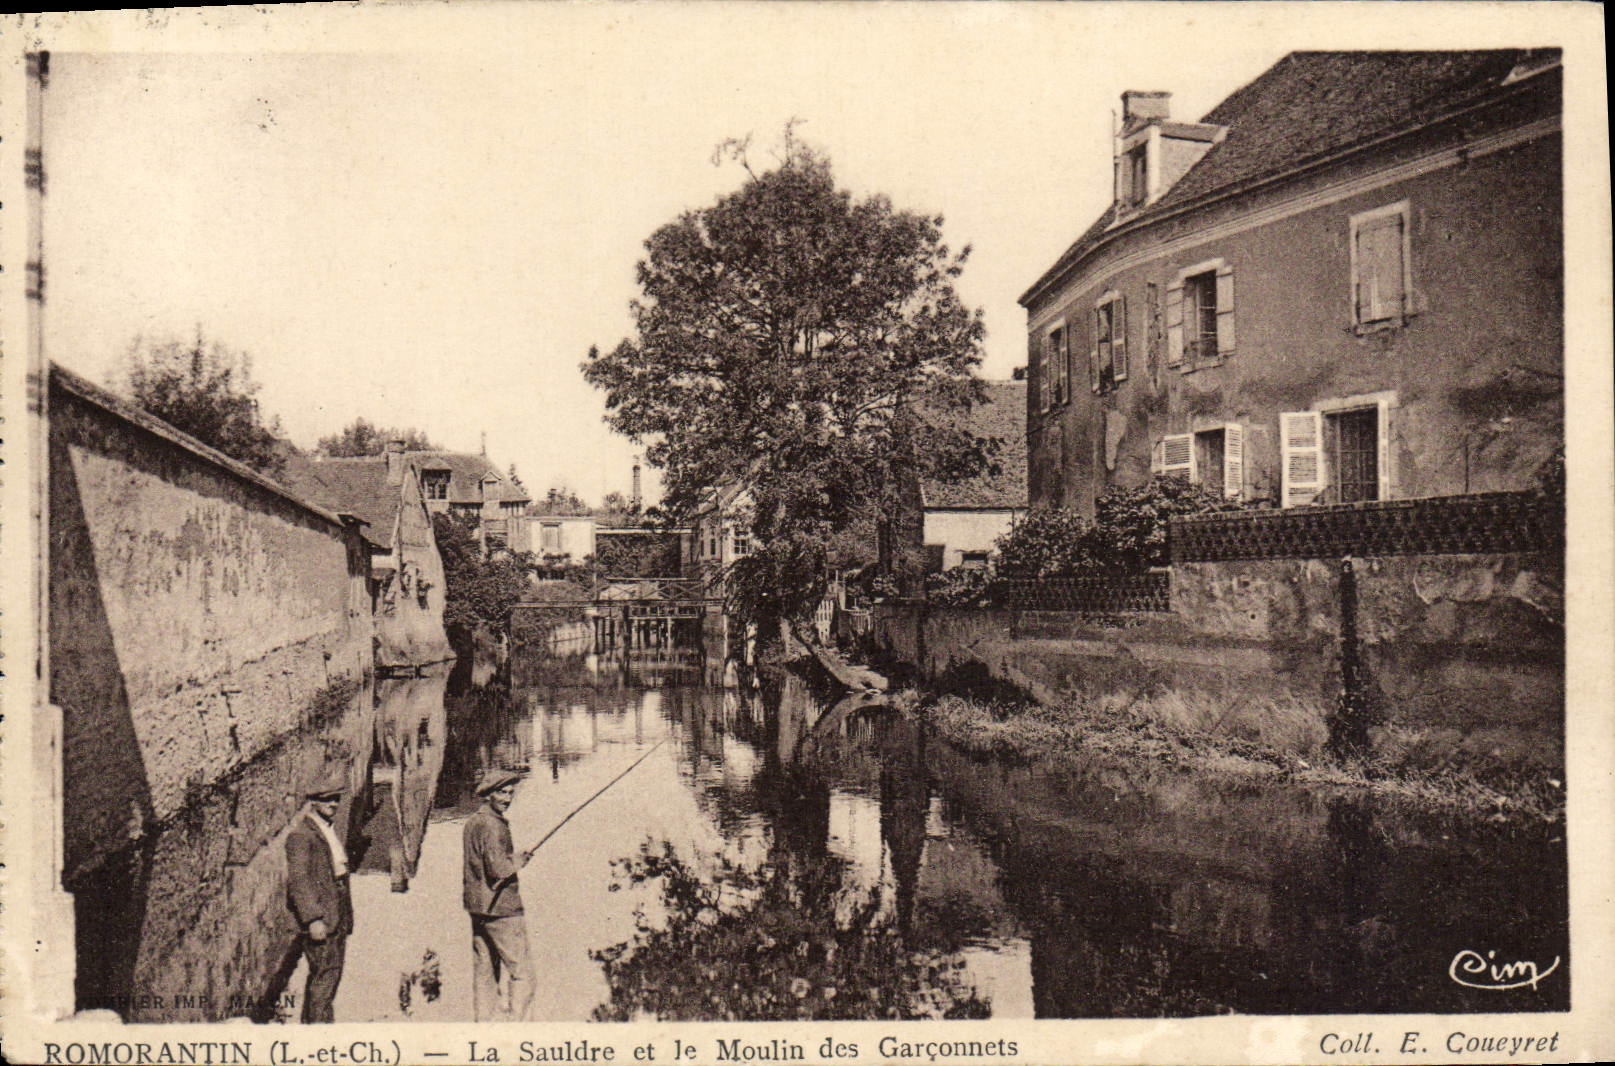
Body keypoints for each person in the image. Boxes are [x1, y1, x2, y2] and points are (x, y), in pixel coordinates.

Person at [463, 767, 535, 1022]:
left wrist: (513, 859)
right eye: (502, 793)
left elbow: (481, 865)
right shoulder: (493, 826)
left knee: (484, 973)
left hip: (478, 909)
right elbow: (497, 869)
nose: (507, 798)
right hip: (502, 910)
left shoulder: (473, 822)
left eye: (510, 793)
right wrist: (517, 861)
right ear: (489, 795)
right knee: (523, 973)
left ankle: (485, 1026)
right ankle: (518, 1029)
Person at [284, 769, 353, 1023]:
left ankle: (311, 1029)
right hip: (322, 919)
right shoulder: (301, 836)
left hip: (336, 916)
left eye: (336, 799)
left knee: (326, 980)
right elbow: (298, 882)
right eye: (327, 800)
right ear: (313, 802)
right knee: (324, 981)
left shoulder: (325, 829)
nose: (333, 804)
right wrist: (313, 919)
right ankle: (320, 1038)